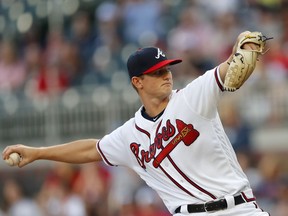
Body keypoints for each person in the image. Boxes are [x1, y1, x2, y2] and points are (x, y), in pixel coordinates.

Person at [2, 31, 269, 216]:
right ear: (137, 82)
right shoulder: (131, 134)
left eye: (167, 68)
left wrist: (245, 50)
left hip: (239, 208)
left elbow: (228, 73)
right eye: (157, 72)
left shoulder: (192, 97)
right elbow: (90, 149)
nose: (167, 75)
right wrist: (37, 153)